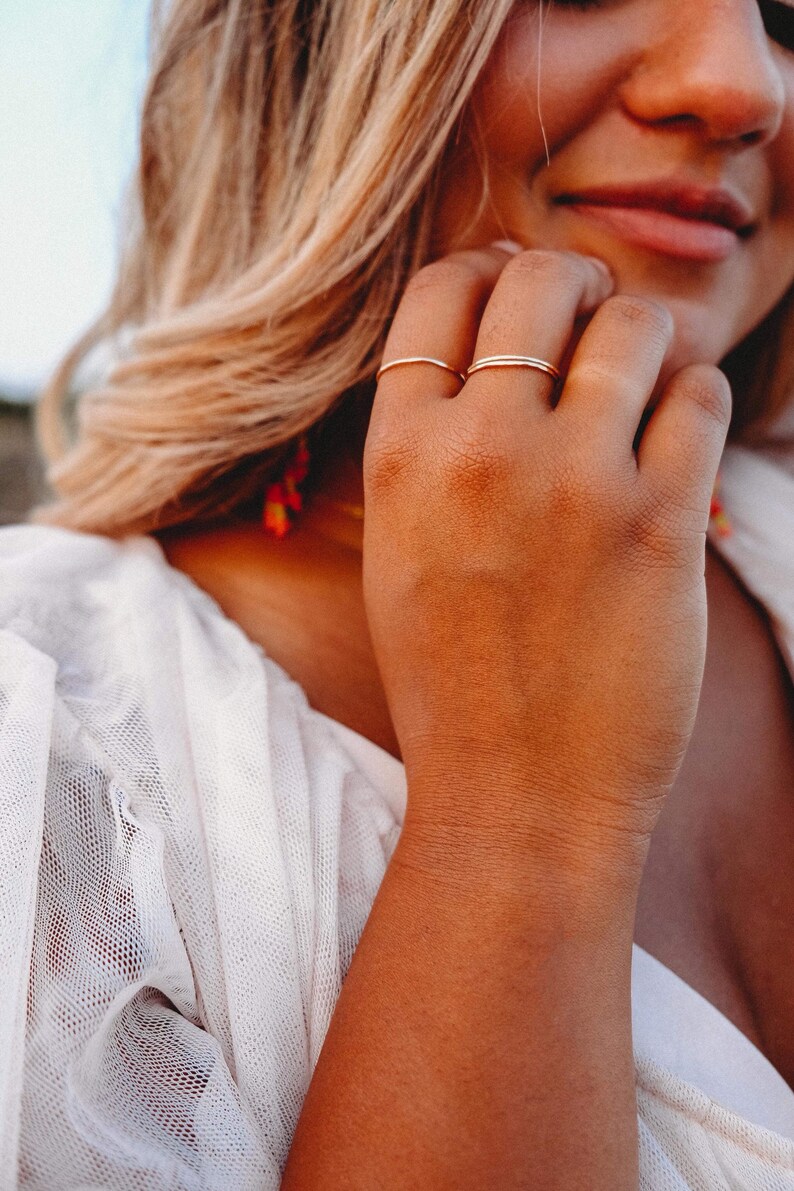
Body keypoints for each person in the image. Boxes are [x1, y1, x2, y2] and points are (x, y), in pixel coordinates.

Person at [2, 0, 793, 1186]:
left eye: (785, 14)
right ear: (302, 42)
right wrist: (514, 821)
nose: (742, 88)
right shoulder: (52, 753)